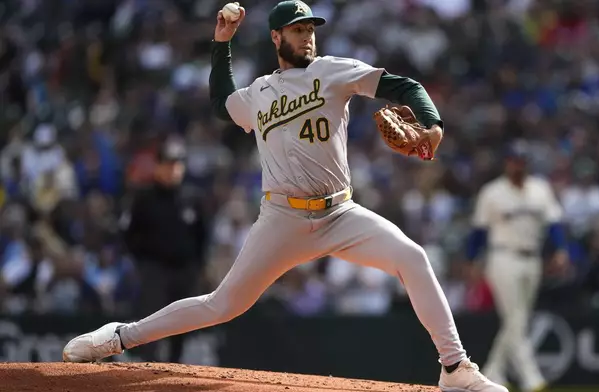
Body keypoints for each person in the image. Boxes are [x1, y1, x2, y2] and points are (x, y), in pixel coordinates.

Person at [63, 2, 507, 391]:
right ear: (277, 36)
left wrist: (432, 125)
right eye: (298, 30)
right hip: (282, 219)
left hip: (340, 213)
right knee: (223, 305)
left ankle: (455, 368)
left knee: (413, 258)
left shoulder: (333, 71)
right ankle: (121, 336)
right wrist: (222, 43)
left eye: (311, 29)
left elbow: (405, 87)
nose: (307, 37)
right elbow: (222, 104)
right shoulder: (260, 92)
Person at [466, 140, 569, 392]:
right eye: (514, 160)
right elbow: (479, 232)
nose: (518, 165)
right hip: (503, 258)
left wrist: (561, 249)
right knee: (515, 318)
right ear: (506, 163)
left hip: (532, 259)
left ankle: (492, 372)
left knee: (517, 320)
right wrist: (471, 261)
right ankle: (532, 379)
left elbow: (554, 223)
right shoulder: (492, 192)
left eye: (522, 161)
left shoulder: (539, 189)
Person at [118, 137, 208, 362]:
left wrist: (197, 266)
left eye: (177, 164)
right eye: (168, 164)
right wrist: (143, 263)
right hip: (155, 269)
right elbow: (129, 234)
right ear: (157, 166)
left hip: (184, 270)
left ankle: (175, 370)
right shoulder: (144, 197)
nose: (173, 170)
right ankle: (150, 366)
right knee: (151, 320)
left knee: (183, 321)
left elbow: (203, 235)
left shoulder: (192, 197)